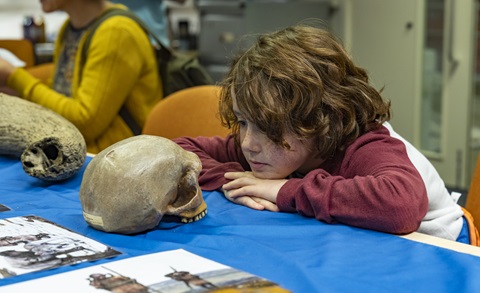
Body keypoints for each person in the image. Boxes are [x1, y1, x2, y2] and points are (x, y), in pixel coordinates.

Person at [174, 24, 479, 245]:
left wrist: (283, 191)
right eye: (242, 122)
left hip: (440, 244)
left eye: (267, 127)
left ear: (318, 119)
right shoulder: (271, 147)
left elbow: (401, 206)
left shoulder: (367, 144)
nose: (248, 143)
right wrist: (237, 181)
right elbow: (179, 150)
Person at [0, 0, 163, 154]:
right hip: (79, 149)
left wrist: (15, 76)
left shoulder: (116, 32)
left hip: (115, 159)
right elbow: (60, 93)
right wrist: (15, 90)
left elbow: (85, 125)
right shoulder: (70, 28)